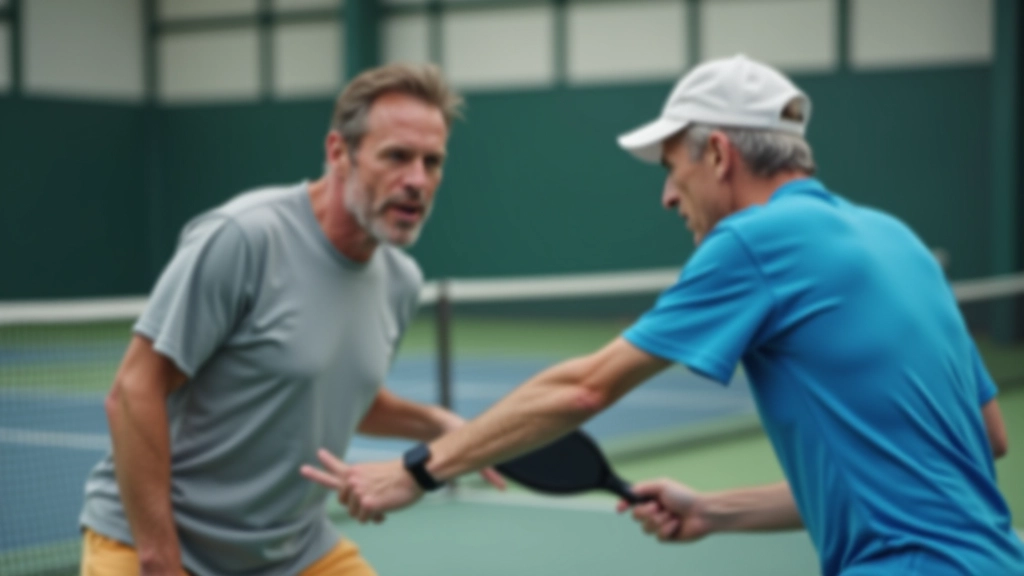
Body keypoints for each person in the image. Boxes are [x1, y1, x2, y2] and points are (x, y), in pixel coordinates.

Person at [301, 55, 1024, 575]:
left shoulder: (754, 239)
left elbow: (584, 389)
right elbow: (983, 439)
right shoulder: (895, 238)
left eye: (672, 170)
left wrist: (418, 471)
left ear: (717, 155)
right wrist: (715, 510)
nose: (668, 198)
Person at [78, 63, 502, 576]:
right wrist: (160, 558)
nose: (417, 180)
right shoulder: (244, 238)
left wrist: (438, 424)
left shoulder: (400, 281)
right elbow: (132, 391)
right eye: (396, 156)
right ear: (338, 153)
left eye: (432, 162)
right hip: (162, 544)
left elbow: (338, 393)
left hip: (294, 553)